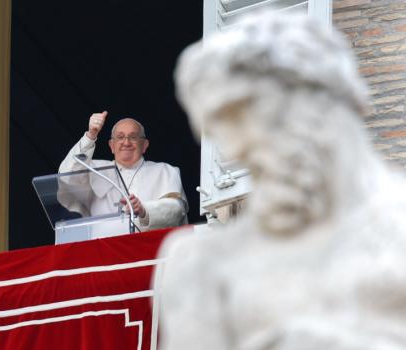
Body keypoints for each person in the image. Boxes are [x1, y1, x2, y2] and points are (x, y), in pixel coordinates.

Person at [158, 11, 406, 350]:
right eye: (218, 130)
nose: (234, 147)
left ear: (323, 91)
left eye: (244, 113)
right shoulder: (205, 267)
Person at [58, 112, 188, 238]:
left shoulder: (164, 170)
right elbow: (66, 176)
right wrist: (91, 135)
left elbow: (176, 210)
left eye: (133, 137)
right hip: (102, 252)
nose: (126, 142)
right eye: (120, 137)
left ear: (144, 145)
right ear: (111, 145)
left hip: (149, 250)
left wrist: (144, 210)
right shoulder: (95, 170)